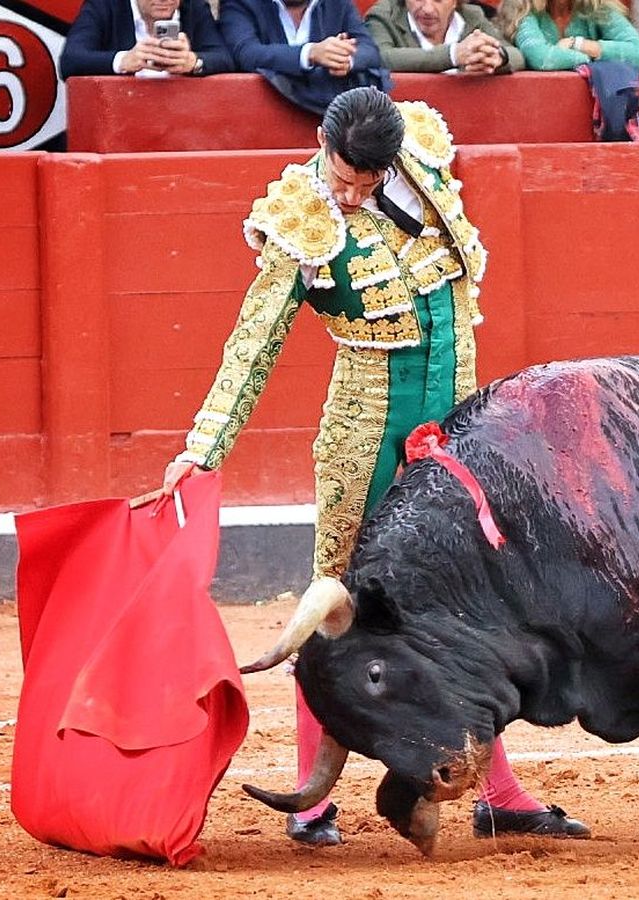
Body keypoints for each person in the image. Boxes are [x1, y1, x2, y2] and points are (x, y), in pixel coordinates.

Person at [161, 87, 591, 847]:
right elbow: (254, 342)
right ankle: (309, 799)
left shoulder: (422, 155)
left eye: (367, 181)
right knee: (334, 608)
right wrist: (202, 449)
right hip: (366, 433)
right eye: (342, 177)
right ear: (322, 146)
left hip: (455, 434)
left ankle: (497, 793)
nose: (351, 195)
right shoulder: (301, 216)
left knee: (466, 608)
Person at [219, 0, 388, 114]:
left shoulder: (338, 3)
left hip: (332, 125)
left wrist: (342, 58)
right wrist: (309, 53)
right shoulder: (241, 3)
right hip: (262, 117)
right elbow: (246, 53)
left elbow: (370, 50)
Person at [59, 0, 231, 78]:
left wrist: (193, 62)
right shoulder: (104, 5)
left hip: (180, 117)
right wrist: (123, 61)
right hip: (122, 114)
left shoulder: (194, 8)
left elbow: (224, 58)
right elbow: (71, 60)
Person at [366, 0, 524, 74]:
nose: (427, 9)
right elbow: (379, 57)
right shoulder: (384, 15)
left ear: (455, 2)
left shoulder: (472, 17)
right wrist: (452, 55)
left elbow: (516, 55)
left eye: (438, 0)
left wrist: (497, 57)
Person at [496, 0, 639, 71]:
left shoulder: (598, 5)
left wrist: (578, 44)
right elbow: (542, 59)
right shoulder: (522, 6)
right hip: (533, 102)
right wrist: (594, 59)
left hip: (588, 104)